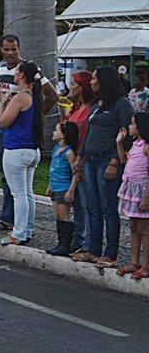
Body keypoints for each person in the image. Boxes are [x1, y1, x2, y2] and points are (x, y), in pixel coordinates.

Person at [0, 34, 59, 232]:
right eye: (6, 49)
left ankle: (11, 220)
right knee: (6, 176)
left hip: (17, 129)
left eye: (14, 49)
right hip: (4, 125)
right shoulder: (0, 68)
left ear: (19, 49)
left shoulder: (27, 70)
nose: (10, 53)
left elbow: (52, 94)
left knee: (18, 183)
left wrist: (37, 115)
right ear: (1, 49)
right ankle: (16, 221)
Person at [74, 66, 135, 267]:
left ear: (104, 81)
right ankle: (93, 249)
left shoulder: (122, 105)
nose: (91, 82)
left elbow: (126, 137)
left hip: (107, 160)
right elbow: (89, 133)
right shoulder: (98, 106)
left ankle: (110, 253)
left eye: (94, 79)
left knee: (108, 207)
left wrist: (114, 162)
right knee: (93, 206)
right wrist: (80, 157)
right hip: (90, 160)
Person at [0, 61, 43, 246]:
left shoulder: (20, 97)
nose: (13, 73)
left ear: (21, 76)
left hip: (16, 149)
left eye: (16, 71)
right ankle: (27, 229)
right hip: (31, 149)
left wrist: (2, 103)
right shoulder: (34, 95)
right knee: (27, 192)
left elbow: (3, 122)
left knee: (19, 194)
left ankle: (19, 232)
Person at [63, 70, 96, 255]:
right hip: (71, 156)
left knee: (86, 201)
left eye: (74, 83)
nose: (71, 86)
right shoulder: (75, 107)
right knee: (76, 203)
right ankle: (78, 238)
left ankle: (88, 242)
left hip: (83, 158)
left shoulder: (91, 109)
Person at [115, 113, 149, 278]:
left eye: (133, 124)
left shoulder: (146, 147)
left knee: (144, 229)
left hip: (143, 192)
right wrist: (119, 143)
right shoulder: (135, 144)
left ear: (141, 127)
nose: (129, 127)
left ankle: (146, 265)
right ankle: (134, 262)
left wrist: (146, 197)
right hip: (132, 190)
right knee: (134, 227)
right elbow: (123, 160)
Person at [44, 122, 82, 255]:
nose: (53, 132)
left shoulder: (69, 153)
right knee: (58, 215)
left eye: (56, 130)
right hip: (55, 186)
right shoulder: (56, 149)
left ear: (64, 135)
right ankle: (61, 242)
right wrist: (50, 185)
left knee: (64, 215)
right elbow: (53, 169)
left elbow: (75, 173)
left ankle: (65, 244)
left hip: (64, 188)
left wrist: (71, 190)